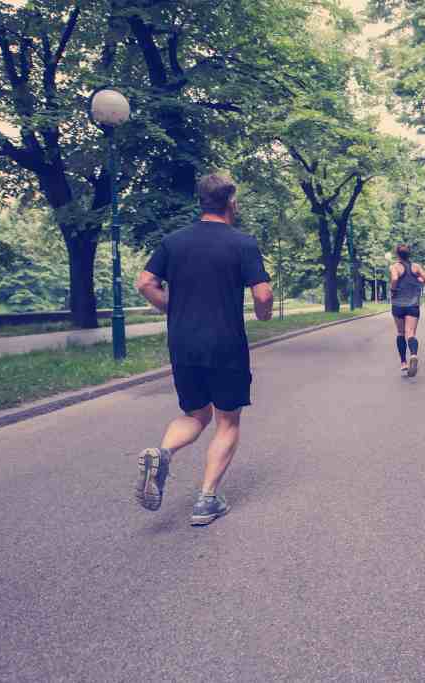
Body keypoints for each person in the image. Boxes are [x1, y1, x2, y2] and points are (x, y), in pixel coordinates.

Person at [133, 172, 274, 526]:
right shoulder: (242, 243)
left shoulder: (173, 241)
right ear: (232, 202)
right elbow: (263, 294)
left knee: (195, 414)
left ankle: (163, 452)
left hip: (183, 341)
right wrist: (263, 314)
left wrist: (172, 307)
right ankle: (207, 499)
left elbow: (145, 283)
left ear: (201, 202)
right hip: (225, 342)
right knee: (227, 420)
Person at [389, 244, 425, 377]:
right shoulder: (416, 266)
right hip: (413, 304)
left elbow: (395, 278)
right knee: (411, 333)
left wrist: (393, 290)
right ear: (409, 254)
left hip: (398, 305)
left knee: (400, 333)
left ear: (397, 254)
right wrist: (418, 280)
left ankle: (403, 362)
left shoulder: (394, 267)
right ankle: (413, 355)